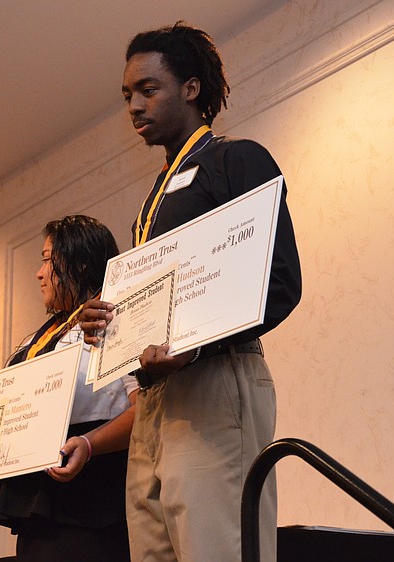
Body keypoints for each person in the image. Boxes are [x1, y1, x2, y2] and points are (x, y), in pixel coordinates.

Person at [80, 23, 302, 562]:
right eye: (127, 95)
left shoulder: (236, 160)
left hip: (214, 384)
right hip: (156, 397)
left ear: (192, 88)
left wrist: (194, 346)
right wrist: (109, 323)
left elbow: (281, 282)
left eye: (148, 89)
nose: (134, 104)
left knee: (217, 547)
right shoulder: (154, 196)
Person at [0, 215, 137, 562]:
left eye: (46, 259)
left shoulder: (111, 318)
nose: (38, 274)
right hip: (39, 506)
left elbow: (145, 410)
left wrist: (88, 443)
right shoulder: (43, 335)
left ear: (79, 264)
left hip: (91, 501)